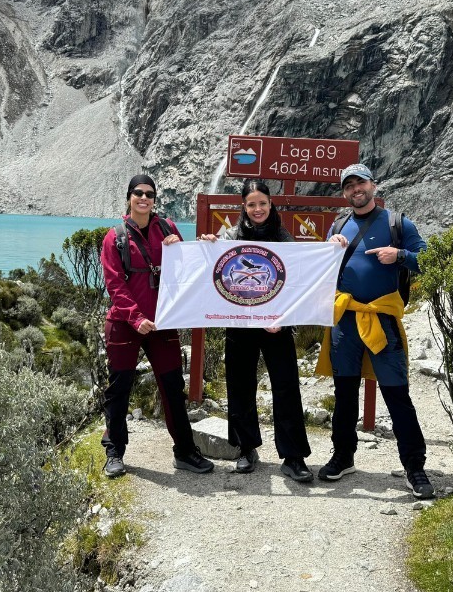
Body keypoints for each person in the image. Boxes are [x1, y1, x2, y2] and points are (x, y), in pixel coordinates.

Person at [316, 163, 435, 499]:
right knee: (344, 393)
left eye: (361, 183)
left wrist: (401, 254)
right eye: (349, 185)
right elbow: (320, 268)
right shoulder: (338, 226)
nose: (356, 189)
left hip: (382, 320)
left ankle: (414, 466)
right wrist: (330, 246)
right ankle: (343, 456)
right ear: (344, 193)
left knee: (397, 394)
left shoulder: (398, 224)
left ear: (374, 186)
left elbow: (428, 259)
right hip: (345, 321)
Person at [99, 174, 214, 478]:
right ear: (129, 197)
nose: (144, 198)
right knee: (119, 389)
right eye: (138, 193)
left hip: (163, 323)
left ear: (154, 199)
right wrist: (136, 317)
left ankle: (185, 452)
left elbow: (186, 268)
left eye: (149, 194)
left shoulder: (168, 228)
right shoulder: (115, 237)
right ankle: (114, 452)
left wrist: (202, 247)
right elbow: (114, 283)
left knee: (173, 386)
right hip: (125, 324)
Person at [200, 179, 314, 482]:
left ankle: (293, 456)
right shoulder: (230, 235)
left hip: (276, 324)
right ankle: (246, 448)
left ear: (270, 204)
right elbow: (216, 270)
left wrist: (284, 318)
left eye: (262, 203)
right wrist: (209, 246)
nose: (258, 209)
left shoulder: (283, 237)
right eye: (251, 204)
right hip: (240, 323)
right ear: (244, 206)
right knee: (239, 384)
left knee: (286, 385)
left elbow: (296, 279)